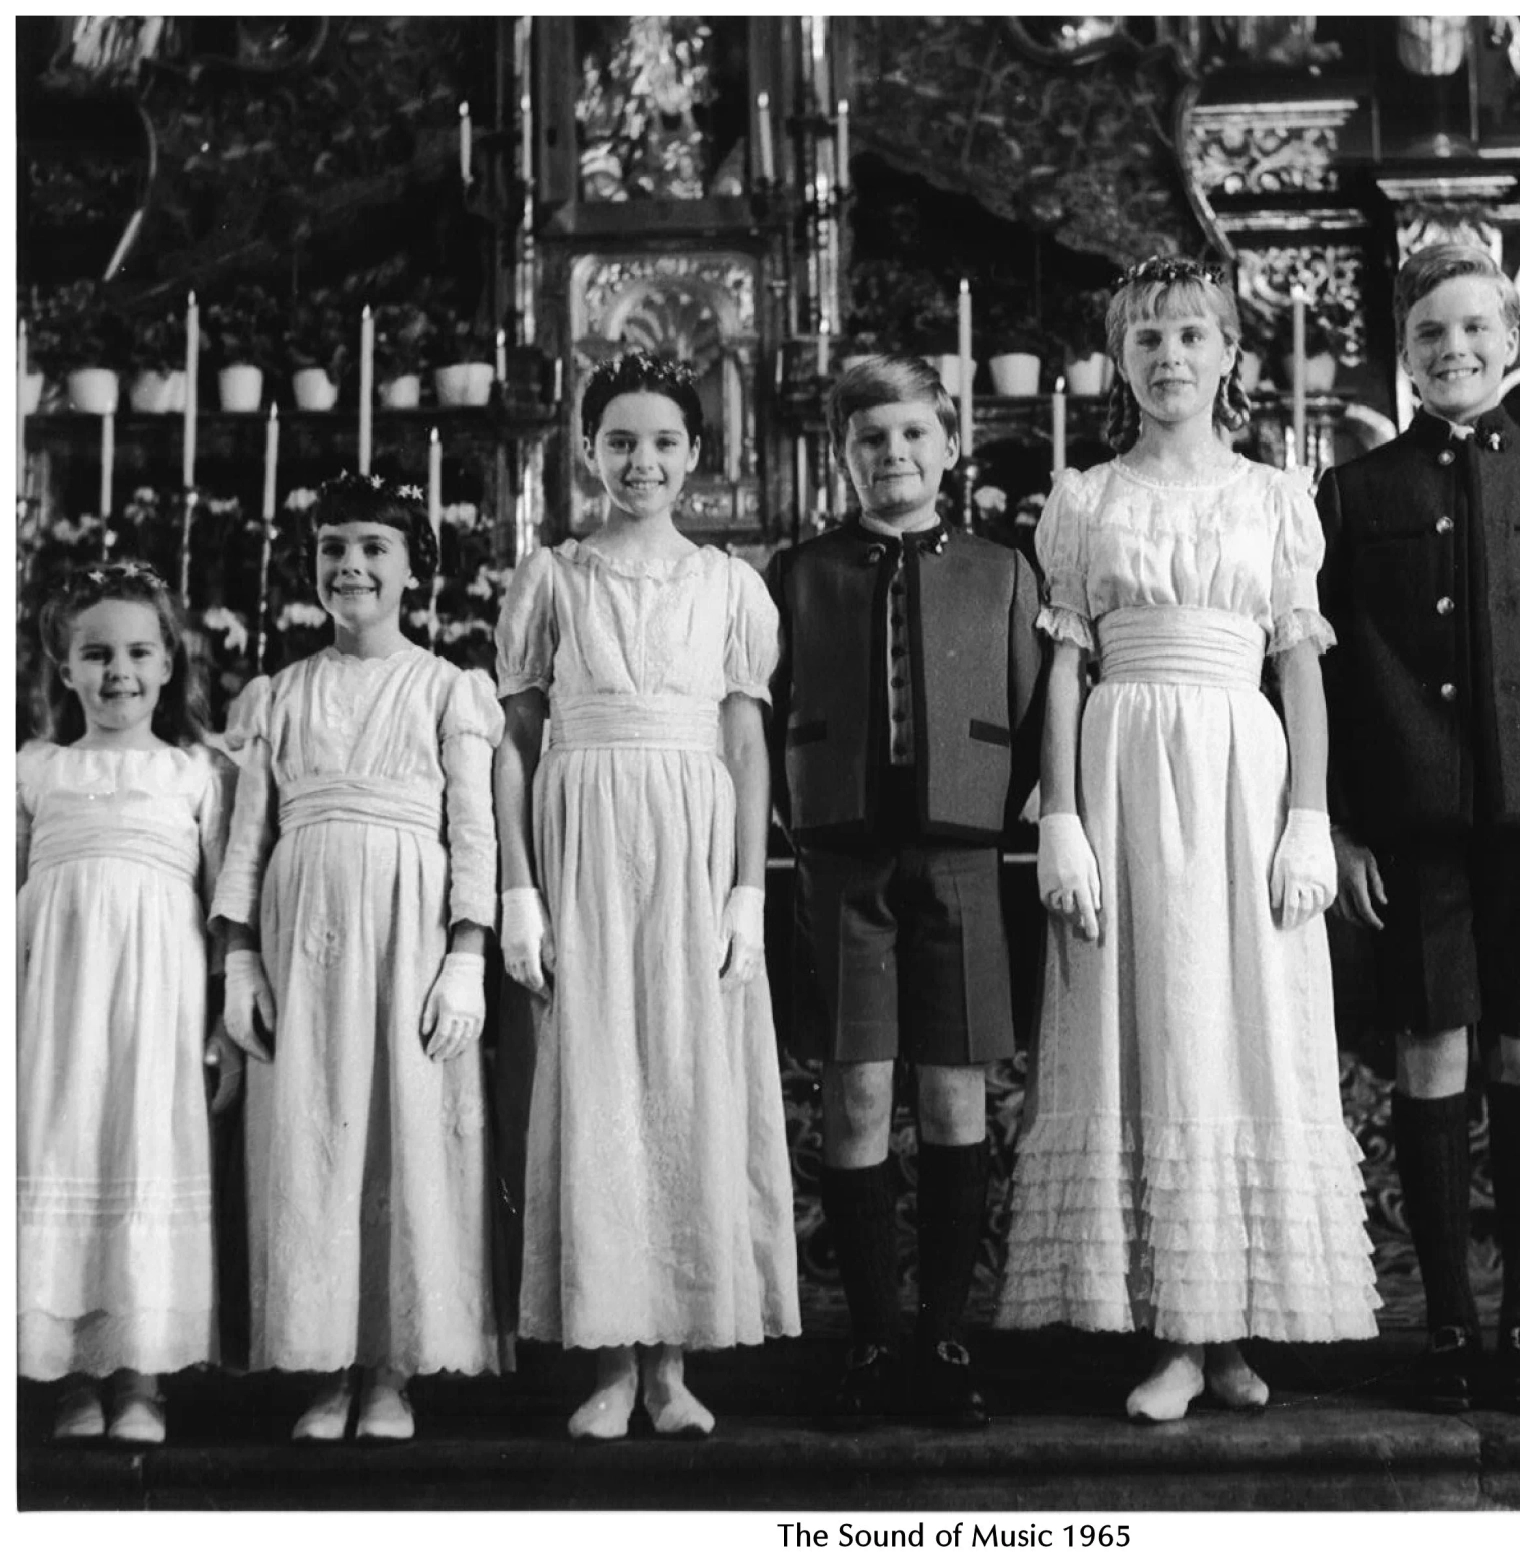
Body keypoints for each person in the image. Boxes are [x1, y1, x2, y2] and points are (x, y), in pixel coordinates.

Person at [997, 257, 1379, 1422]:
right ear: (1123, 360)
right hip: (1122, 769)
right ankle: (1170, 1331)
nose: (1172, 356)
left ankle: (1230, 1331)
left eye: (1193, 335)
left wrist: (1308, 815)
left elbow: (1301, 669)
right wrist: (1060, 817)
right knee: (1148, 1021)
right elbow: (1063, 669)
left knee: (1239, 1028)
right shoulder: (1088, 498)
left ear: (1231, 358)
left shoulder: (1275, 498)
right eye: (1149, 337)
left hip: (1240, 771)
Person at [1315, 243, 1520, 1413]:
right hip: (1412, 825)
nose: (1453, 351)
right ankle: (1451, 1321)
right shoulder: (1358, 493)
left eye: (1473, 331)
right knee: (1431, 1049)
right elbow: (1330, 675)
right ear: (1404, 358)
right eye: (1429, 337)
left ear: (1513, 345)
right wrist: (1342, 827)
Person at [495, 352, 799, 1440]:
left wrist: (745, 893)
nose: (642, 462)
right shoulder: (553, 578)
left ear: (697, 456)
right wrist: (518, 886)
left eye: (665, 442)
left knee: (684, 1082)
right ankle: (611, 1362)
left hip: (691, 842)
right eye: (620, 441)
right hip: (581, 843)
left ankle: (672, 1365)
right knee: (599, 1085)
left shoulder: (730, 587)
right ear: (586, 451)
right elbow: (516, 743)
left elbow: (747, 743)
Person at [764, 353, 1044, 1428]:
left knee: (952, 1091)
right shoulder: (800, 571)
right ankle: (873, 1339)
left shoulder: (1001, 570)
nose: (894, 456)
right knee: (860, 1089)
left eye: (914, 436)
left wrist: (1000, 800)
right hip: (841, 854)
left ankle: (946, 1336)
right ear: (843, 454)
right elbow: (771, 700)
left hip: (962, 853)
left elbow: (1028, 710)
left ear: (950, 443)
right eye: (871, 440)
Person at [214, 473, 502, 1441]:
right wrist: (240, 960)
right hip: (303, 944)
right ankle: (324, 1366)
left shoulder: (445, 689)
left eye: (375, 547)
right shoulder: (279, 694)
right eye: (335, 547)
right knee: (311, 1138)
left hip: (409, 935)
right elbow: (244, 840)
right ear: (313, 566)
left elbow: (474, 830)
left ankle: (390, 1371)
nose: (352, 566)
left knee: (403, 1135)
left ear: (415, 568)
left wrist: (466, 954)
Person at [18, 562, 237, 1444]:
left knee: (145, 1150)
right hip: (55, 1010)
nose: (119, 673)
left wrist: (224, 1023)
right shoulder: (35, 772)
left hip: (161, 1005)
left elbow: (226, 913)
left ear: (170, 664)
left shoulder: (195, 775)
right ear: (63, 668)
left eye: (140, 652)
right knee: (64, 1145)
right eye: (96, 654)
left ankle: (141, 1378)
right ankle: (70, 1378)